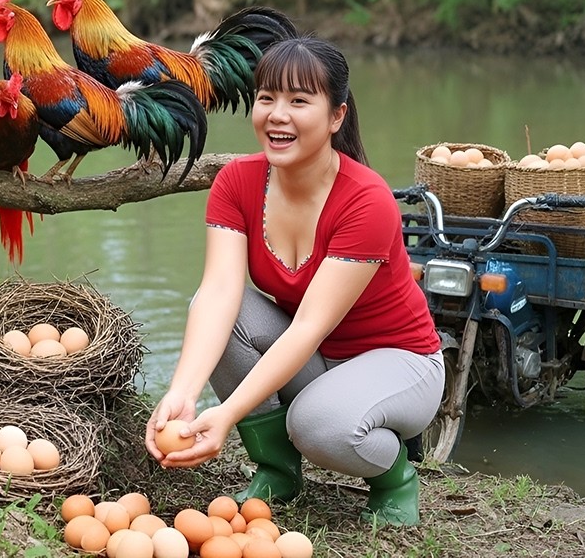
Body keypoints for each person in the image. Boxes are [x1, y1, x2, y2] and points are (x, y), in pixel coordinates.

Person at [144, 36, 444, 526]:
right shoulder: (237, 181)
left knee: (318, 425)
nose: (277, 115)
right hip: (320, 357)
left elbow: (306, 326)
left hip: (399, 362)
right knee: (222, 311)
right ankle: (279, 471)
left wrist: (225, 416)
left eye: (299, 101)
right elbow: (220, 292)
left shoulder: (366, 200)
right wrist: (183, 391)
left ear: (336, 117)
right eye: (267, 98)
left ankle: (395, 478)